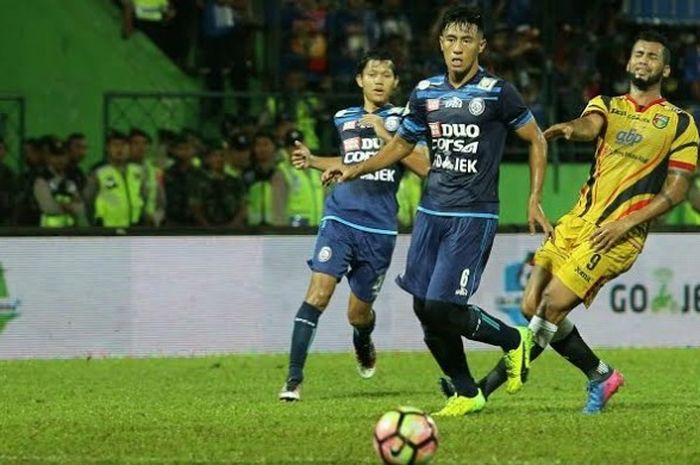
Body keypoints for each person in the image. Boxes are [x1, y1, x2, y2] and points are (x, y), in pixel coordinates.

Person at [322, 6, 552, 416]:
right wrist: (353, 167)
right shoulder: (425, 92)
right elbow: (400, 146)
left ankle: (515, 341)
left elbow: (536, 140)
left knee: (446, 307)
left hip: (473, 214)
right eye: (451, 40)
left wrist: (533, 198)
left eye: (466, 40)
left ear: (480, 45)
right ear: (440, 44)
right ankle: (466, 391)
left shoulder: (499, 92)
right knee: (423, 308)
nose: (458, 49)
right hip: (431, 211)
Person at [474, 30, 699, 414]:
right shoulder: (607, 105)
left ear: (665, 68)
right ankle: (601, 375)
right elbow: (590, 125)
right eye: (638, 54)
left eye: (652, 56)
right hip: (577, 220)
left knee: (549, 307)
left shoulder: (680, 123)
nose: (644, 60)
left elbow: (676, 191)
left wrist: (626, 224)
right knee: (530, 305)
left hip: (616, 236)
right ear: (628, 63)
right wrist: (568, 129)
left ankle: (482, 389)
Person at [278, 50, 431, 401]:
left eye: (386, 75)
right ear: (359, 80)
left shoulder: (407, 121)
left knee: (357, 314)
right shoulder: (343, 117)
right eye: (372, 74)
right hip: (340, 217)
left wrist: (385, 135)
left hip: (379, 229)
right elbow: (349, 161)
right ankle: (293, 379)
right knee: (318, 294)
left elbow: (425, 168)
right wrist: (313, 160)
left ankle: (363, 339)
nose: (379, 80)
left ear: (395, 83)